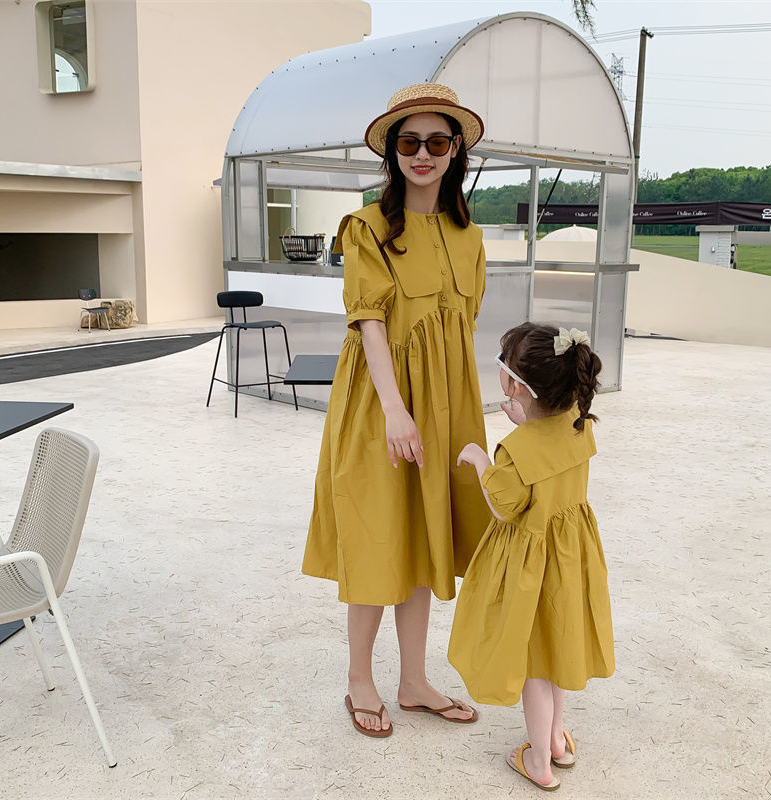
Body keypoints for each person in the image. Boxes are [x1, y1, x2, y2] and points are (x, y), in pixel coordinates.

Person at [302, 84, 491, 737]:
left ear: (455, 149)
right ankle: (361, 679)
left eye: (437, 142)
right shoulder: (368, 227)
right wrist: (395, 410)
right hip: (383, 404)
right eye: (408, 142)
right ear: (391, 150)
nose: (422, 155)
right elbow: (370, 322)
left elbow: (460, 330)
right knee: (377, 535)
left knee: (425, 538)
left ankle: (413, 681)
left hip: (446, 407)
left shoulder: (470, 236)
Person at [449, 322, 615, 790]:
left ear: (517, 387)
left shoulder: (515, 449)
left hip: (531, 567)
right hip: (570, 559)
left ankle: (539, 761)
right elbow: (553, 456)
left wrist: (481, 459)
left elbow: (503, 507)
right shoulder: (577, 421)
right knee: (557, 649)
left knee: (535, 668)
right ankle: (557, 741)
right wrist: (529, 423)